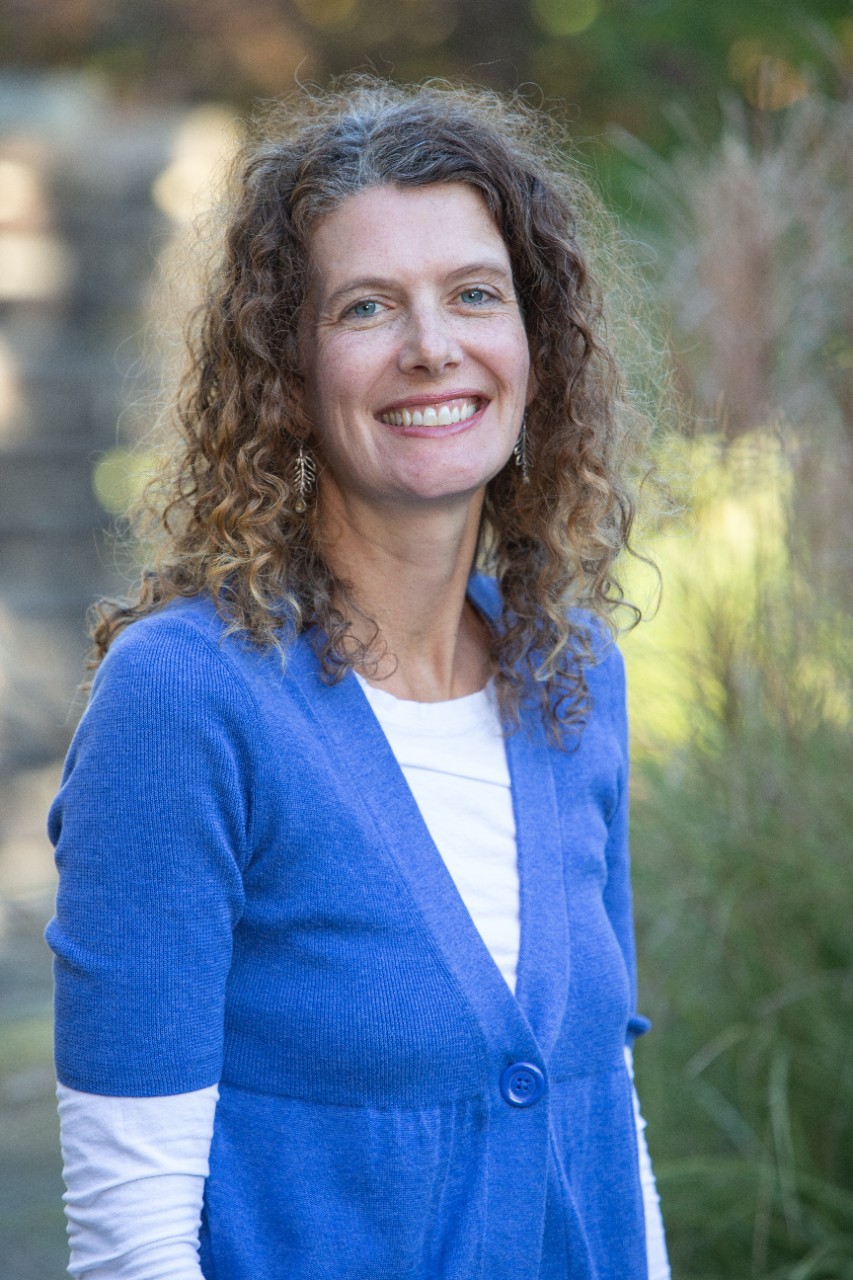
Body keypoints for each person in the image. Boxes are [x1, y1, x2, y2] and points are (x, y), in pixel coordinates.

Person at [47, 79, 670, 1280]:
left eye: (475, 295)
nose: (432, 346)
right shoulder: (186, 699)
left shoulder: (571, 673)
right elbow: (133, 1240)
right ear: (285, 375)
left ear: (535, 348)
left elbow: (606, 1109)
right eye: (368, 306)